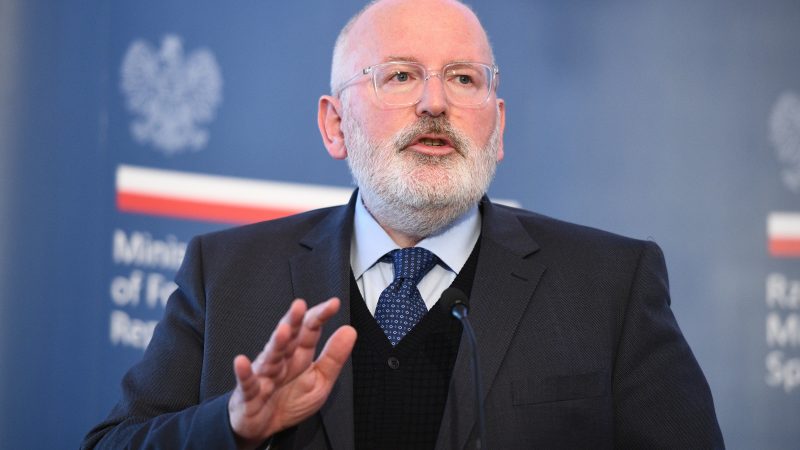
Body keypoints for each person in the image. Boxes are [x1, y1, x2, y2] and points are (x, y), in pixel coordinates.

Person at [83, 0, 724, 448]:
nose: (435, 102)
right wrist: (231, 425)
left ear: (498, 127)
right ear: (335, 125)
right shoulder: (227, 274)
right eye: (400, 75)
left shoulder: (608, 286)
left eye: (463, 79)